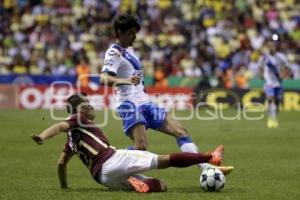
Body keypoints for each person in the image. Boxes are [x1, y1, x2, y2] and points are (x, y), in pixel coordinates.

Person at [99, 14, 233, 173]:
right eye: (130, 33)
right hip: (129, 105)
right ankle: (111, 166)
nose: (134, 37)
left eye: (135, 33)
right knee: (141, 147)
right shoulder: (114, 52)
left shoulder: (129, 49)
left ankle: (207, 169)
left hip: (145, 103)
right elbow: (103, 78)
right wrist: (126, 80)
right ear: (119, 33)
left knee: (181, 131)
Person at [31, 93, 224, 193]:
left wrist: (64, 188)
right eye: (85, 103)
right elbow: (59, 126)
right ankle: (210, 157)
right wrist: (42, 136)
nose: (90, 106)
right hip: (112, 159)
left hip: (102, 178)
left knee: (161, 186)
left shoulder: (71, 142)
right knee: (165, 160)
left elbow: (61, 163)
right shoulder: (77, 118)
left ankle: (139, 184)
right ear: (77, 109)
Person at [260, 40, 290, 128]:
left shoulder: (281, 57)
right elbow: (261, 67)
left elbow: (287, 68)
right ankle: (269, 119)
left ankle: (275, 118)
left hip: (278, 82)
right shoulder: (264, 58)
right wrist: (261, 74)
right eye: (269, 46)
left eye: (272, 46)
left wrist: (283, 74)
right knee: (269, 99)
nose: (271, 48)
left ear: (275, 47)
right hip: (269, 82)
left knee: (277, 101)